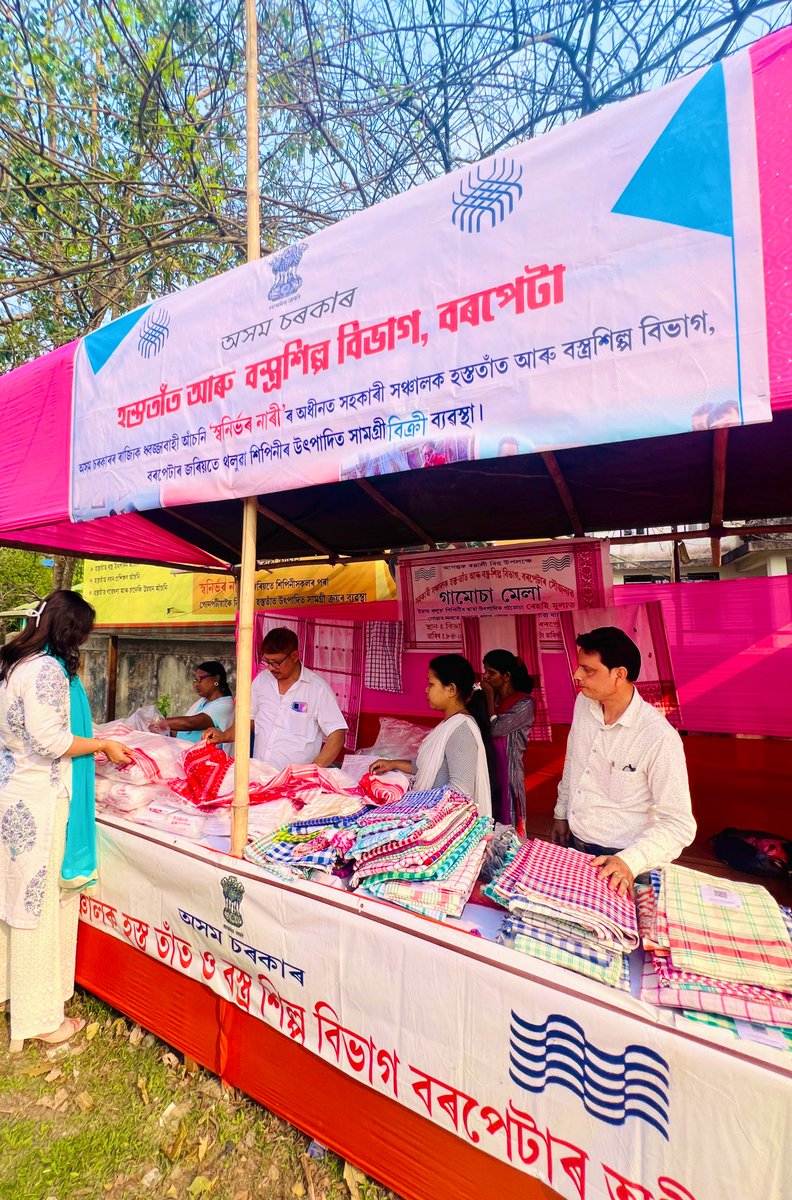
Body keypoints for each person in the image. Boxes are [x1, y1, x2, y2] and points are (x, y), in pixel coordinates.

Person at [0, 591, 133, 1051]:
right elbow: (52, 741)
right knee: (37, 904)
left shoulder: (15, 663)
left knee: (16, 896)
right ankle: (40, 1019)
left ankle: (12, 992)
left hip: (16, 790)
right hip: (41, 799)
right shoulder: (47, 670)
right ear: (71, 631)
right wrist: (102, 746)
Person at [551, 626, 695, 895]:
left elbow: (679, 824)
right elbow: (574, 761)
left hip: (625, 863)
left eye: (588, 670)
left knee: (617, 935)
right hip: (576, 844)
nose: (576, 675)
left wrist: (631, 861)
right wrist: (562, 813)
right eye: (579, 667)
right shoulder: (584, 705)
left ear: (619, 674)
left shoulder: (658, 738)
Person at [205, 628, 347, 770]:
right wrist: (223, 736)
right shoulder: (261, 681)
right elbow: (247, 721)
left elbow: (337, 733)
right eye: (268, 661)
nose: (271, 668)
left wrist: (314, 770)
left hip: (295, 780)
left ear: (294, 656)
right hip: (259, 772)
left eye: (276, 662)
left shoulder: (318, 689)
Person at [371, 654, 492, 817]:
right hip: (432, 814)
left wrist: (416, 803)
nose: (426, 689)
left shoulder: (461, 730)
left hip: (443, 821)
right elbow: (427, 767)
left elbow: (461, 790)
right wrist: (392, 764)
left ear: (451, 689)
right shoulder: (447, 724)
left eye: (431, 684)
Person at [480, 649, 535, 833]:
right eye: (485, 671)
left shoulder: (525, 703)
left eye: (491, 672)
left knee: (509, 821)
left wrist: (487, 696)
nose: (485, 676)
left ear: (506, 676)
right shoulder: (493, 700)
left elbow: (496, 729)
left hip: (509, 772)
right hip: (489, 768)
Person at [149, 661, 234, 747]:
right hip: (185, 753)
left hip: (207, 759)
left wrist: (159, 722)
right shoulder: (202, 702)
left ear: (216, 679)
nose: (197, 684)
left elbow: (190, 723)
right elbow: (183, 732)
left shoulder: (226, 705)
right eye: (196, 680)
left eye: (201, 679)